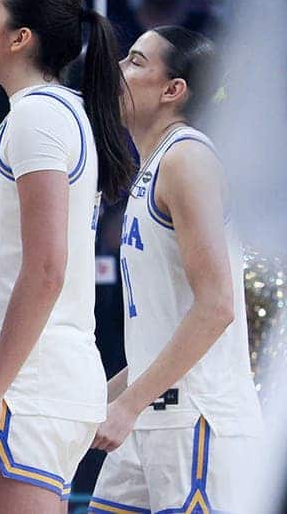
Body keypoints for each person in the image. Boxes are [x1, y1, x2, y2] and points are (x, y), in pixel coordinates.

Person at [0, 0, 135, 512]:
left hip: (29, 385)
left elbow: (46, 269)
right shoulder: (42, 115)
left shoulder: (39, 117)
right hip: (39, 383)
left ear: (21, 38)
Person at [88, 27, 262, 513]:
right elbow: (162, 328)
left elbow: (216, 306)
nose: (120, 71)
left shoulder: (188, 158)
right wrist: (103, 398)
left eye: (136, 62)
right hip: (154, 417)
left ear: (173, 90)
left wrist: (127, 404)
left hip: (196, 421)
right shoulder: (155, 165)